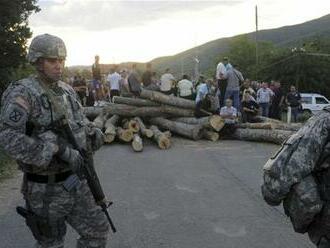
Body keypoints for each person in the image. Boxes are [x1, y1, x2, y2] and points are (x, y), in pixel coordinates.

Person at [0, 34, 110, 247]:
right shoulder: (23, 92)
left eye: (61, 60)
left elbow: (79, 122)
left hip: (76, 181)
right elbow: (8, 137)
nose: (59, 66)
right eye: (52, 60)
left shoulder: (67, 90)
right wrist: (55, 149)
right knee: (50, 243)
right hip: (45, 189)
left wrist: (92, 134)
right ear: (38, 61)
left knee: (97, 231)